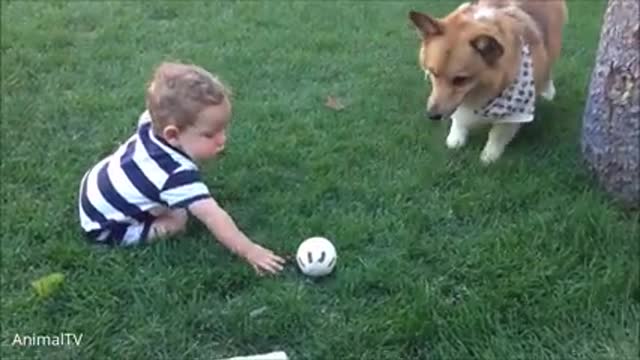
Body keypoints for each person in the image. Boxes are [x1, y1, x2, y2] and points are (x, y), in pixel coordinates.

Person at [78, 62, 285, 275]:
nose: (222, 139)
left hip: (93, 184)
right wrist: (251, 251)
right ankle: (138, 225)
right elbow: (214, 216)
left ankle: (140, 195)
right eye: (210, 134)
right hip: (104, 226)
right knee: (178, 220)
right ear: (173, 135)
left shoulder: (150, 122)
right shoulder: (176, 175)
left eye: (223, 129)